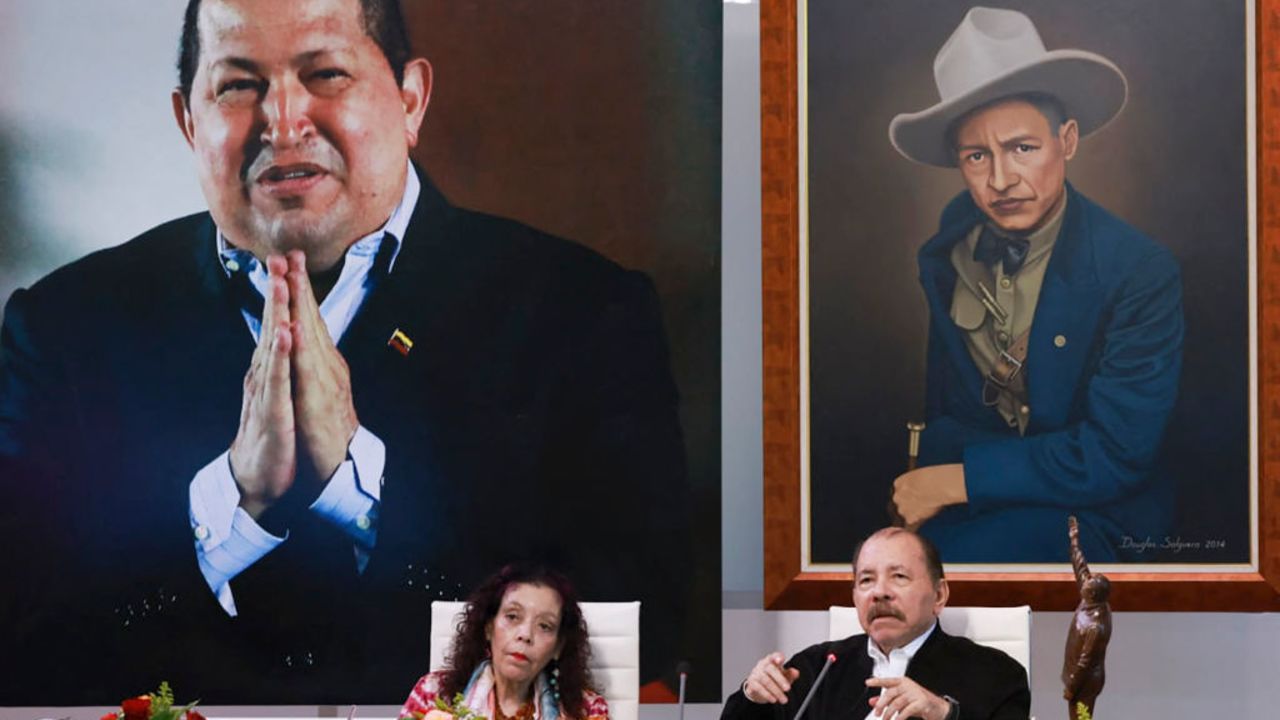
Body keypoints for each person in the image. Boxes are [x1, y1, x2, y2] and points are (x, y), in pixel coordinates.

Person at [0, 0, 689, 704]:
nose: (283, 120)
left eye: (325, 73)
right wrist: (229, 509)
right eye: (238, 85)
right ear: (188, 121)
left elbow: (642, 632)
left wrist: (361, 493)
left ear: (411, 99)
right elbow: (22, 641)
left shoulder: (584, 313)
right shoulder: (61, 329)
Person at [886, 6, 1184, 561]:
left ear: (1066, 140)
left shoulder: (1139, 271)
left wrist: (958, 480)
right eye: (977, 156)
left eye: (1023, 148)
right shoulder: (947, 254)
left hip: (1099, 508)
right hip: (978, 499)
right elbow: (948, 410)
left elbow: (1116, 454)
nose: (1001, 179)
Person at [721, 528, 1029, 720]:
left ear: (939, 595)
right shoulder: (816, 669)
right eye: (866, 580)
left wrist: (945, 714)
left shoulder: (995, 674)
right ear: (855, 597)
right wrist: (753, 697)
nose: (880, 592)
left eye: (899, 577)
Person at [400, 565, 609, 720]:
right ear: (489, 627)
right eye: (512, 616)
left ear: (558, 647)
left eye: (545, 626)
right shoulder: (433, 692)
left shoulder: (587, 710)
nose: (525, 634)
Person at [1062, 517, 1111, 720]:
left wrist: (1072, 686)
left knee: (1081, 717)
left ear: (1092, 595)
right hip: (1076, 676)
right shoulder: (1092, 599)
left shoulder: (1096, 625)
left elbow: (1085, 661)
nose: (1084, 582)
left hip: (1085, 683)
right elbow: (1080, 568)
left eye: (1087, 585)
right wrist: (1074, 541)